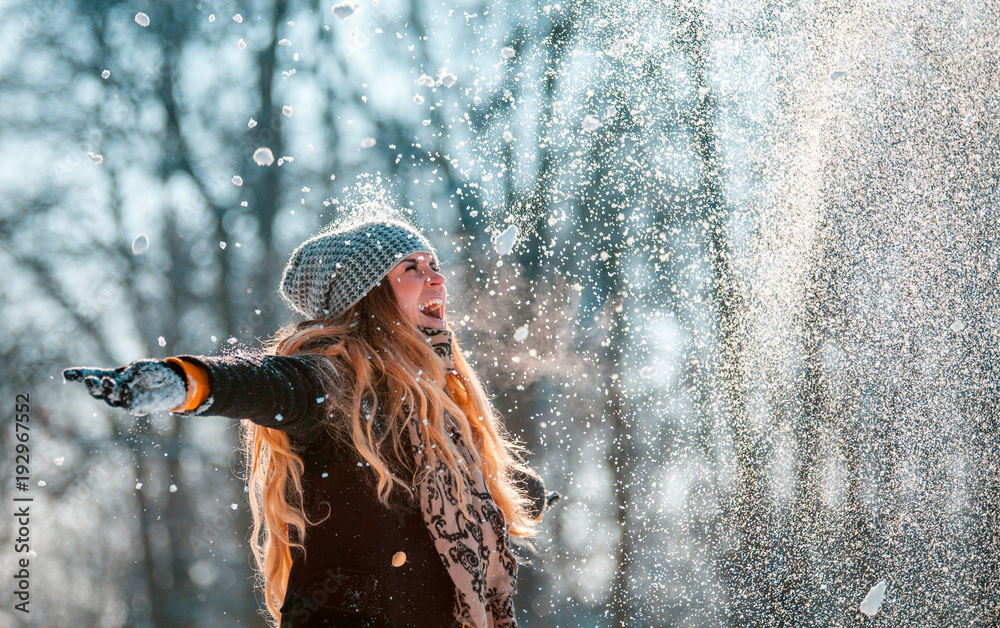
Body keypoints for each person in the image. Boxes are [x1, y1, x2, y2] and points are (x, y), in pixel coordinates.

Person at [63, 218, 556, 628]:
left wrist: (517, 493)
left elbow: (449, 488)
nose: (437, 279)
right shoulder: (335, 379)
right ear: (369, 295)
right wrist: (184, 382)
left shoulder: (437, 401)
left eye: (434, 266)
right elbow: (263, 383)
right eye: (412, 268)